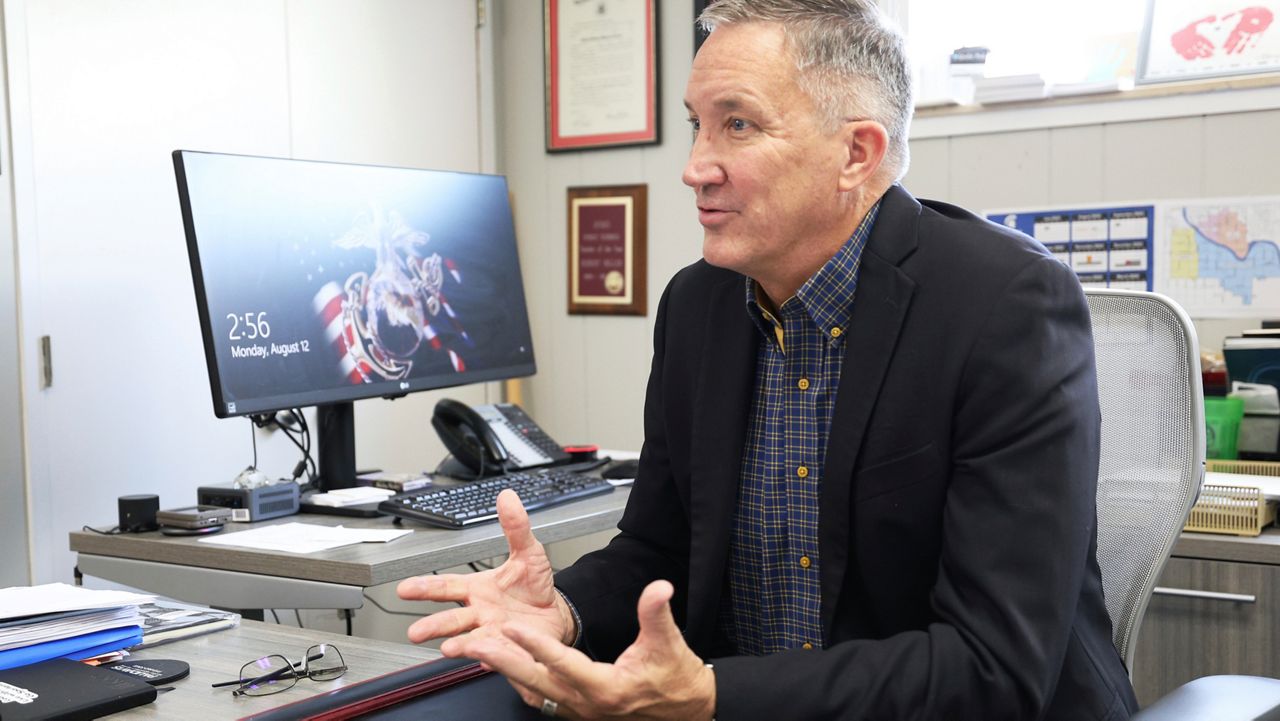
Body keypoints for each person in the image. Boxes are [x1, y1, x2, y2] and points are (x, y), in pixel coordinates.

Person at [397, 1, 1139, 718]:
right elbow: (660, 549)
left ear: (857, 153)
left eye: (738, 125)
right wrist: (560, 608)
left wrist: (715, 695)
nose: (695, 167)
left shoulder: (1005, 304)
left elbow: (993, 666)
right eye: (697, 126)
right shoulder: (698, 306)